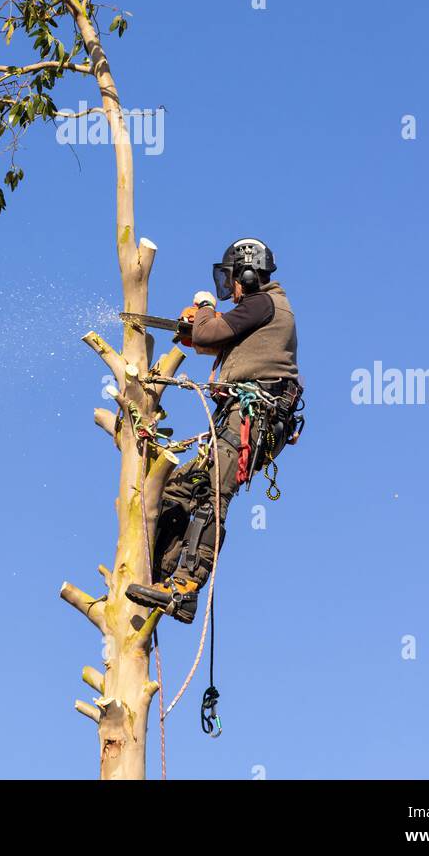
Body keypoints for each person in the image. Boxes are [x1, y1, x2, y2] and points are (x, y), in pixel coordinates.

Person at [126, 237, 302, 623]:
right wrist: (194, 330)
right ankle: (159, 573)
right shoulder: (258, 310)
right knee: (177, 488)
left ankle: (185, 588)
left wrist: (205, 308)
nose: (231, 292)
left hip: (253, 418)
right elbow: (211, 340)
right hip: (242, 419)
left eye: (233, 282)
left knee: (214, 496)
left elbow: (209, 334)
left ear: (249, 274)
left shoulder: (263, 301)